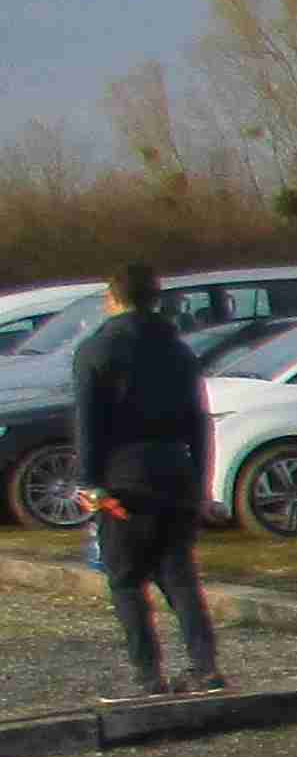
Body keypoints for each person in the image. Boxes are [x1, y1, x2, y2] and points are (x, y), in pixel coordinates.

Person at [72, 263, 222, 699]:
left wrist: (89, 482)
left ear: (113, 298)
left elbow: (88, 422)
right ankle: (205, 667)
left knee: (125, 579)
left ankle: (148, 675)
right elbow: (199, 422)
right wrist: (201, 482)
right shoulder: (179, 350)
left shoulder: (96, 350)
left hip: (124, 477)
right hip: (176, 470)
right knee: (179, 574)